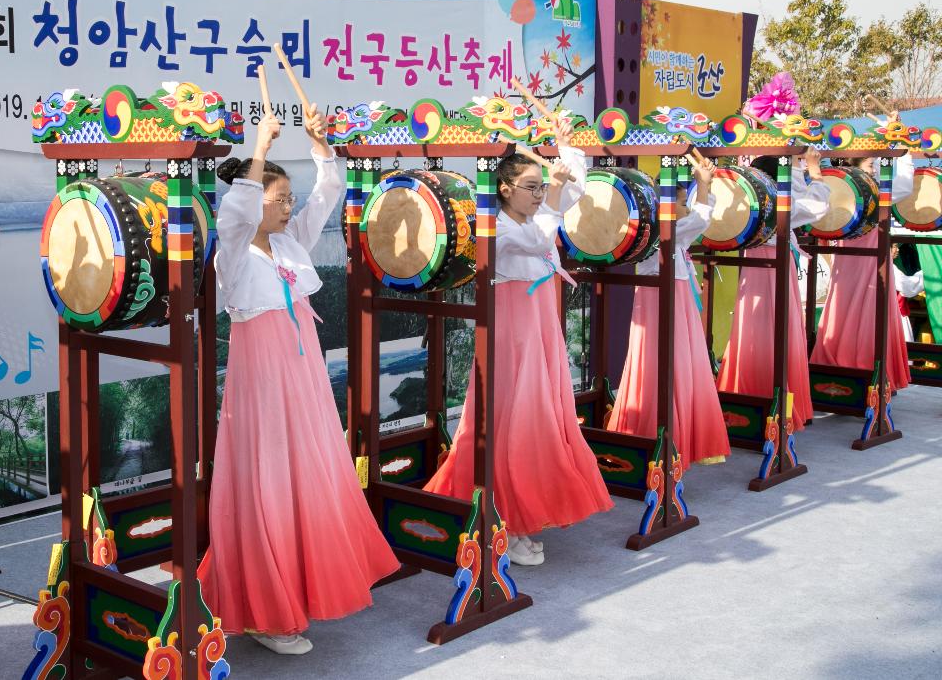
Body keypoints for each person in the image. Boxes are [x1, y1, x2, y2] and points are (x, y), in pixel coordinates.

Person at [197, 107, 399, 656]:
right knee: (267, 480)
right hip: (261, 377)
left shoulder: (291, 242)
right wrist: (259, 147)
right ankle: (266, 610)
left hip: (303, 372)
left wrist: (319, 147)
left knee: (306, 476)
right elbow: (236, 214)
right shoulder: (234, 252)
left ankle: (300, 589)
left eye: (288, 199)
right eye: (279, 199)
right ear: (256, 201)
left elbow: (327, 195)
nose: (289, 208)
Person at [424, 119, 612, 564]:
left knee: (540, 413)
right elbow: (540, 236)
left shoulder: (534, 213)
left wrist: (565, 148)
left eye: (540, 186)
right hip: (513, 325)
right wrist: (552, 197)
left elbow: (574, 190)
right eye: (531, 187)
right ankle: (507, 517)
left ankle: (521, 514)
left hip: (540, 318)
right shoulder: (500, 227)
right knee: (516, 417)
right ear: (505, 189)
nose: (539, 193)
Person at [609, 158, 731, 466]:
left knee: (678, 361)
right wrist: (703, 184)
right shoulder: (660, 229)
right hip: (660, 297)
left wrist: (705, 186)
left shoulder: (673, 231)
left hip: (675, 295)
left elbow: (699, 218)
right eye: (679, 202)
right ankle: (659, 432)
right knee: (660, 361)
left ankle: (676, 434)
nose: (684, 208)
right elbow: (701, 218)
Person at [718, 148, 830, 428]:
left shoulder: (753, 200)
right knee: (777, 328)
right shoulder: (777, 203)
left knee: (753, 328)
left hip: (758, 262)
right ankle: (777, 403)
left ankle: (747, 395)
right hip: (773, 262)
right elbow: (816, 206)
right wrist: (814, 171)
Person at [810, 139, 917, 392]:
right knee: (848, 304)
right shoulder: (854, 188)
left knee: (866, 307)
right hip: (856, 255)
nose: (874, 170)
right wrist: (905, 150)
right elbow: (903, 186)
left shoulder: (874, 188)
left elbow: (902, 186)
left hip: (870, 255)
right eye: (871, 165)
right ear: (856, 167)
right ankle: (850, 372)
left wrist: (903, 147)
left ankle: (867, 373)